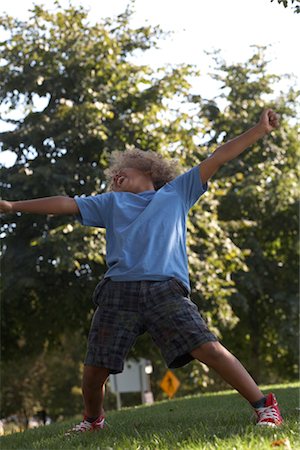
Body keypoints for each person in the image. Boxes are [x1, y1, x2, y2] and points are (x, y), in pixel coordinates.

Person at [0, 109, 283, 432]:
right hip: (118, 291)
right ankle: (93, 420)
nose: (116, 176)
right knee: (94, 370)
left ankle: (264, 406)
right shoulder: (109, 203)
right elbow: (64, 203)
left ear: (149, 170)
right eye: (113, 175)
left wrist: (258, 130)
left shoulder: (177, 192)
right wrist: (12, 206)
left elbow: (218, 157)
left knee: (208, 348)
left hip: (165, 289)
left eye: (123, 170)